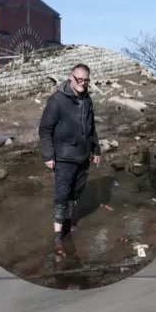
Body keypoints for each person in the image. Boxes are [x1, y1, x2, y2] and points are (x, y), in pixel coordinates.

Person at [38, 63, 101, 258]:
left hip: (83, 156)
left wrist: (96, 150)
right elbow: (45, 129)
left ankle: (67, 222)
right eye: (80, 79)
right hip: (63, 157)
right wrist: (48, 155)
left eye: (86, 80)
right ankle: (58, 233)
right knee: (62, 195)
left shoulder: (87, 100)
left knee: (76, 192)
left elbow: (91, 128)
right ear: (70, 77)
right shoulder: (57, 100)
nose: (83, 83)